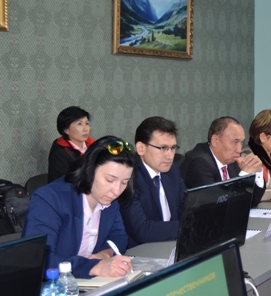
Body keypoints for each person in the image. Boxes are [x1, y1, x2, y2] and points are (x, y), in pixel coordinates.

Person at [23, 136, 135, 278]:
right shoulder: (50, 198)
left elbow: (119, 236)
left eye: (124, 182)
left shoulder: (109, 199)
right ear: (89, 169)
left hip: (88, 283)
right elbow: (38, 258)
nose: (117, 191)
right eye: (109, 180)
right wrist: (92, 266)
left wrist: (105, 254)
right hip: (54, 286)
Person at [120, 117, 187, 247]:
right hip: (140, 251)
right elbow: (142, 231)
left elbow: (186, 208)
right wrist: (188, 225)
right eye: (162, 148)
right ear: (141, 148)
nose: (169, 155)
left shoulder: (172, 170)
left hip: (171, 244)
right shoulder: (127, 176)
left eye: (173, 148)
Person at [180, 116, 266, 205]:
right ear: (215, 140)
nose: (239, 150)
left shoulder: (231, 160)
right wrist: (243, 176)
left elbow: (253, 201)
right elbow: (216, 205)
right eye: (235, 142)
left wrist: (258, 172)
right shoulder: (199, 163)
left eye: (241, 142)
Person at [48, 106, 94, 183]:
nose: (85, 129)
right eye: (79, 124)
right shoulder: (59, 153)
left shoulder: (93, 146)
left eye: (87, 123)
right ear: (66, 129)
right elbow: (62, 184)